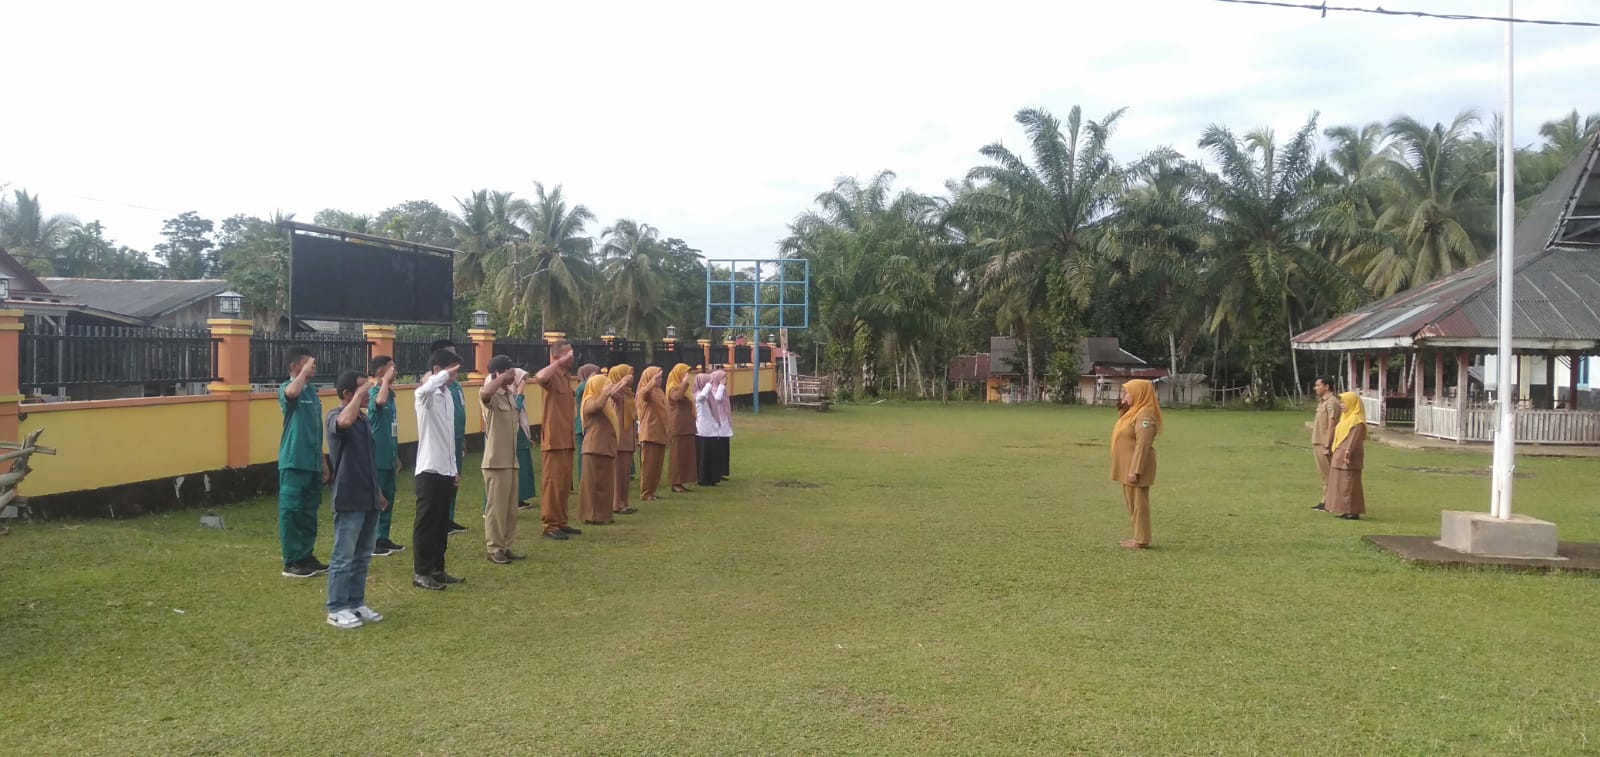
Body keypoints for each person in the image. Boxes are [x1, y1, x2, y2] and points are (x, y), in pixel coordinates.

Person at [323, 370, 388, 629]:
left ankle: (356, 602)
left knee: (362, 555)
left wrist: (378, 493)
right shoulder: (336, 416)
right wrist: (359, 395)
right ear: (347, 394)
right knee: (343, 556)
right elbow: (343, 422)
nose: (368, 395)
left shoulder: (363, 420)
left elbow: (368, 461)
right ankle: (336, 608)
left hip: (368, 496)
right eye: (361, 390)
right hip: (348, 497)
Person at [413, 349, 465, 590]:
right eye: (450, 370)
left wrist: (454, 468)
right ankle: (421, 572)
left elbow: (449, 436)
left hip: (445, 468)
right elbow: (422, 389)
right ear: (437, 370)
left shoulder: (448, 397)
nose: (454, 376)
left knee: (441, 523)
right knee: (426, 523)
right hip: (429, 469)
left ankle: (437, 568)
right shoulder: (425, 396)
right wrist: (439, 376)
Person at [278, 346, 329, 579]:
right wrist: (301, 374)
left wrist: (323, 461)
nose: (314, 366)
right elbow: (290, 393)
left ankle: (306, 555)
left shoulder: (312, 393)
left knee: (309, 511)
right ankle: (292, 561)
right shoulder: (289, 389)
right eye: (309, 363)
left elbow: (317, 431)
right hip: (294, 461)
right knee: (291, 511)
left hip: (313, 462)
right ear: (295, 366)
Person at [480, 355, 528, 565]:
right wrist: (500, 378)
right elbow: (485, 393)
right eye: (508, 370)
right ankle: (494, 548)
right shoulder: (492, 394)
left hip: (510, 459)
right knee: (496, 508)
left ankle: (506, 545)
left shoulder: (509, 394)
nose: (512, 374)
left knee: (509, 508)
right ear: (498, 373)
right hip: (495, 461)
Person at [532, 341, 582, 541]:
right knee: (552, 484)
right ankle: (550, 524)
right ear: (557, 356)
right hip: (554, 439)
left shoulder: (565, 378)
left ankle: (561, 521)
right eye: (568, 353)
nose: (572, 356)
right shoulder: (551, 377)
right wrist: (558, 361)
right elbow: (540, 376)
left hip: (566, 438)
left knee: (563, 484)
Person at [1110, 379, 1162, 550]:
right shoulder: (1133, 412)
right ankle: (1137, 536)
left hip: (1136, 468)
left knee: (1139, 504)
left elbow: (1143, 444)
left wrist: (1135, 470)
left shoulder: (1145, 415)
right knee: (1132, 504)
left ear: (1139, 393)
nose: (1124, 396)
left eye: (1127, 393)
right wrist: (1123, 404)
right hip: (1126, 465)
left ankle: (1141, 539)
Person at [365, 355, 405, 557]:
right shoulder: (375, 392)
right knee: (377, 499)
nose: (395, 371)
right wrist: (385, 382)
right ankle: (372, 540)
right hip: (377, 457)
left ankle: (383, 537)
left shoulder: (391, 395)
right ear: (380, 371)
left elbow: (392, 429)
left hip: (389, 455)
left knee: (388, 497)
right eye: (391, 368)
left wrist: (396, 455)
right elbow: (378, 402)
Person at [430, 339, 470, 536]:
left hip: (457, 437)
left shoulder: (455, 385)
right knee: (442, 482)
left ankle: (449, 517)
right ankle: (441, 519)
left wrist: (463, 439)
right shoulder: (431, 384)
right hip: (442, 441)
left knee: (455, 479)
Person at [578, 372, 630, 525]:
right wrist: (607, 392)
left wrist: (617, 390)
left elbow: (617, 400)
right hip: (594, 447)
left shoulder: (607, 403)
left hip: (605, 446)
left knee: (605, 484)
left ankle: (603, 514)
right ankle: (592, 515)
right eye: (605, 384)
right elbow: (597, 405)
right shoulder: (588, 401)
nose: (607, 387)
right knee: (593, 484)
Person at [1326, 391, 1368, 521]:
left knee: (1349, 483)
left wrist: (1347, 454)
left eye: (1344, 402)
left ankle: (1352, 510)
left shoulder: (1357, 420)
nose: (1342, 405)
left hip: (1348, 456)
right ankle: (1344, 509)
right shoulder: (1345, 418)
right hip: (1339, 454)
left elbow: (1354, 440)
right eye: (1341, 402)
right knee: (1340, 483)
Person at [608, 364, 640, 516]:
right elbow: (611, 392)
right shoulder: (616, 392)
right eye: (628, 374)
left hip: (628, 437)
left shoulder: (627, 393)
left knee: (625, 473)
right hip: (619, 438)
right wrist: (623, 382)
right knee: (617, 473)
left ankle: (624, 502)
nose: (631, 377)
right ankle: (616, 504)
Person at [636, 366, 668, 501]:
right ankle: (646, 492)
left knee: (657, 466)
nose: (660, 380)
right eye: (658, 377)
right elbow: (644, 394)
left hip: (661, 433)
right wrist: (651, 382)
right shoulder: (646, 391)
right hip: (650, 433)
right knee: (648, 466)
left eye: (660, 377)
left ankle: (652, 491)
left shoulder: (659, 391)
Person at [1310, 377, 1342, 512]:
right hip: (1318, 441)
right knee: (1323, 474)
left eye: (1318, 385)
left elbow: (1332, 425)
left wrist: (1327, 445)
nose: (1315, 388)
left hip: (1324, 443)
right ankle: (1327, 499)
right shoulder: (1322, 402)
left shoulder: (1331, 402)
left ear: (1327, 386)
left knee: (1328, 473)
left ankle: (1328, 501)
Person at [666, 363, 696, 493]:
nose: (687, 376)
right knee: (677, 456)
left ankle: (682, 480)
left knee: (685, 455)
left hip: (687, 426)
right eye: (684, 373)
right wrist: (684, 383)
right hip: (678, 426)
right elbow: (677, 397)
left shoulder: (684, 388)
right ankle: (675, 482)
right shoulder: (673, 387)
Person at [573, 363, 600, 490]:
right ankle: (583, 481)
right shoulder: (582, 386)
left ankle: (589, 480)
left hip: (587, 425)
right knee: (582, 456)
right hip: (581, 425)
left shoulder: (587, 386)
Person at [694, 373, 721, 487]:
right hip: (703, 430)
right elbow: (701, 397)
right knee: (704, 456)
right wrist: (709, 385)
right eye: (707, 382)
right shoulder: (698, 395)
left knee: (712, 455)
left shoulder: (709, 396)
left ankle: (712, 478)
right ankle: (703, 478)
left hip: (711, 429)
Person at [514, 386, 537, 511]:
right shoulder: (506, 394)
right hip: (513, 436)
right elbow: (514, 412)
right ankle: (514, 499)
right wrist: (519, 394)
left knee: (523, 469)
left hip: (521, 436)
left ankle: (520, 498)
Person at [711, 369, 732, 482]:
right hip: (717, 423)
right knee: (718, 448)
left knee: (724, 448)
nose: (726, 380)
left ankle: (722, 471)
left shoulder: (722, 390)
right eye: (724, 378)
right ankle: (716, 471)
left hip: (724, 422)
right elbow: (717, 400)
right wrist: (721, 386)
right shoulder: (714, 390)